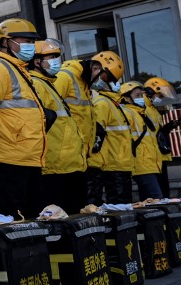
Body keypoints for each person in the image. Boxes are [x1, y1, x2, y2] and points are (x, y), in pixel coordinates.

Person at [0, 18, 46, 218]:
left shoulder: (22, 71)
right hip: (9, 158)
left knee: (30, 218)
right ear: (6, 42)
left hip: (28, 157)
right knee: (13, 219)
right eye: (25, 40)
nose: (30, 46)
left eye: (32, 42)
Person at [29, 40, 88, 214]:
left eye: (57, 56)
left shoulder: (48, 84)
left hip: (68, 165)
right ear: (37, 61)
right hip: (55, 168)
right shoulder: (37, 84)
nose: (56, 61)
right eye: (51, 57)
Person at [87, 51, 131, 205]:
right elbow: (97, 133)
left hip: (120, 162)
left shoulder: (113, 103)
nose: (112, 82)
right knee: (117, 206)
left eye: (113, 79)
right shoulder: (102, 102)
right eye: (108, 78)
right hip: (112, 164)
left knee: (122, 207)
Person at [120, 82, 163, 200]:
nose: (141, 98)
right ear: (126, 98)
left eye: (141, 95)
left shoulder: (140, 113)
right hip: (141, 164)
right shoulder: (127, 113)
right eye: (137, 95)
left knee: (148, 203)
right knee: (156, 199)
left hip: (149, 163)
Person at [145, 77, 178, 197]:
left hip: (159, 155)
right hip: (151, 157)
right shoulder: (145, 110)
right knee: (157, 194)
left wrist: (167, 127)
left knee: (164, 192)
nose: (161, 100)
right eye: (160, 96)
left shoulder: (153, 110)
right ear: (151, 92)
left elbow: (157, 133)